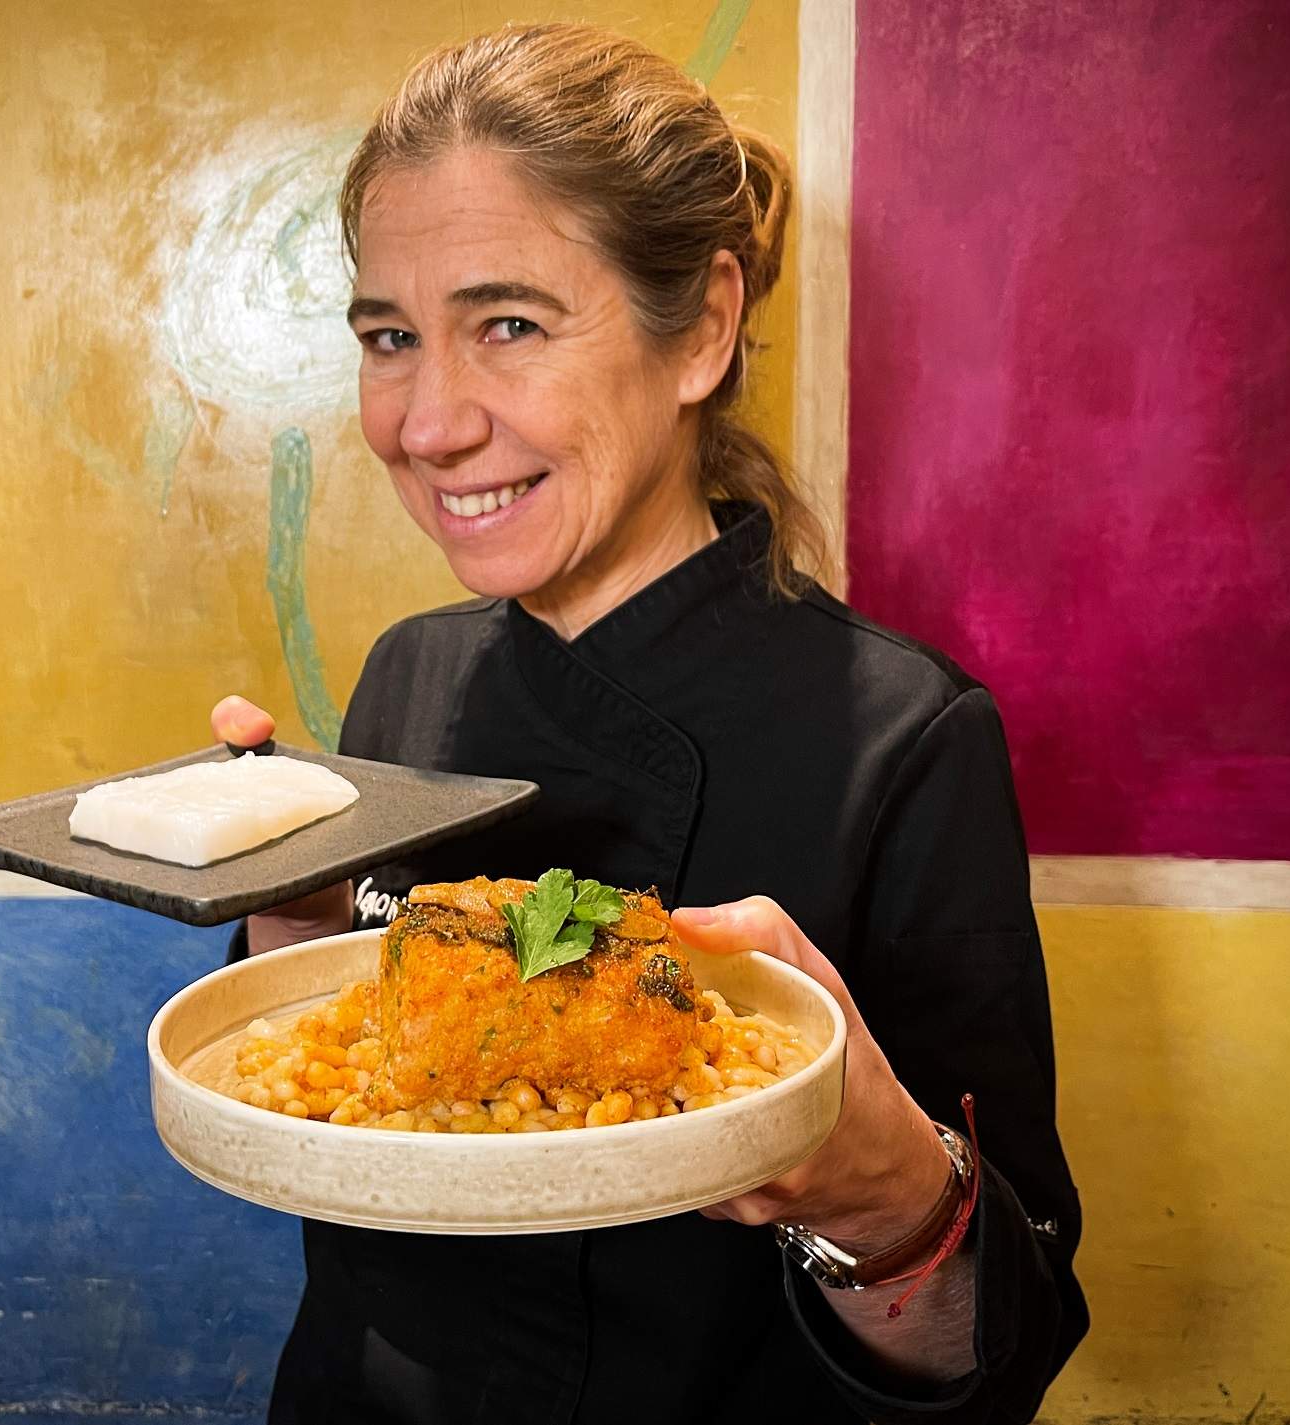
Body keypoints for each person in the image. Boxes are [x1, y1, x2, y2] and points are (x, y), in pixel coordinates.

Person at [213, 23, 1086, 1424]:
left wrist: (885, 1183)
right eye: (390, 336)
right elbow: (349, 1132)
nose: (428, 422)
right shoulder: (405, 675)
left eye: (509, 324)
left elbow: (1003, 1350)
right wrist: (289, 920)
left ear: (708, 328)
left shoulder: (906, 737)